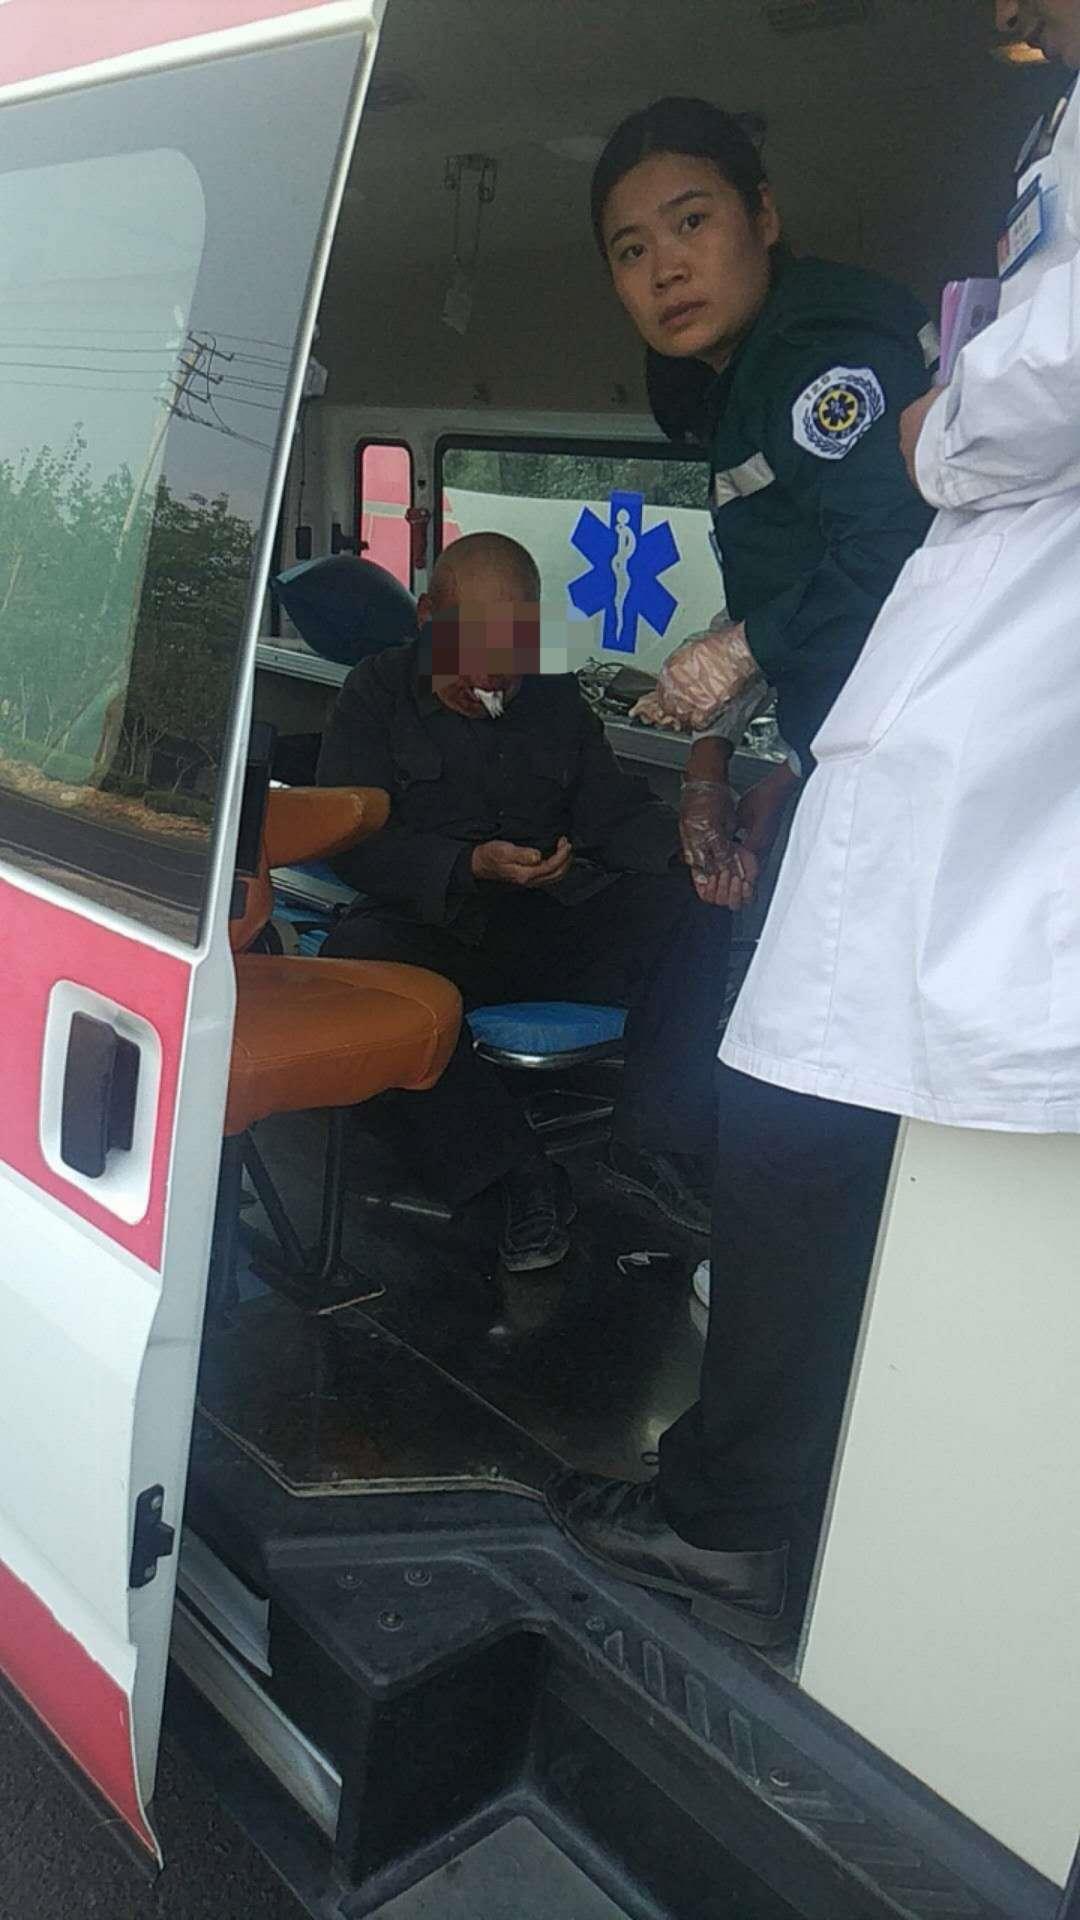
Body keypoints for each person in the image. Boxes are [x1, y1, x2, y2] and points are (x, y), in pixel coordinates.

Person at [547, 11, 1080, 1647]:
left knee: (788, 1135)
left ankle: (737, 1514)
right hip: (876, 776)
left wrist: (733, 660)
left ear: (766, 217)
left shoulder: (826, 352)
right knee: (790, 1131)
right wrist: (733, 767)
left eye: (693, 220)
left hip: (939, 784)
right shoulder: (743, 391)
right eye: (630, 247)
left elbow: (879, 549)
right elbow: (813, 598)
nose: (665, 265)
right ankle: (774, 1488)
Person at [316, 531, 730, 1271]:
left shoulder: (551, 691)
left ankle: (654, 1144)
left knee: (693, 908)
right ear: (428, 619)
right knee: (357, 968)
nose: (497, 669)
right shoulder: (376, 693)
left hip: (550, 919)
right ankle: (518, 1177)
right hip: (434, 928)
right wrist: (467, 864)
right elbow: (352, 842)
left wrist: (698, 855)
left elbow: (612, 812)